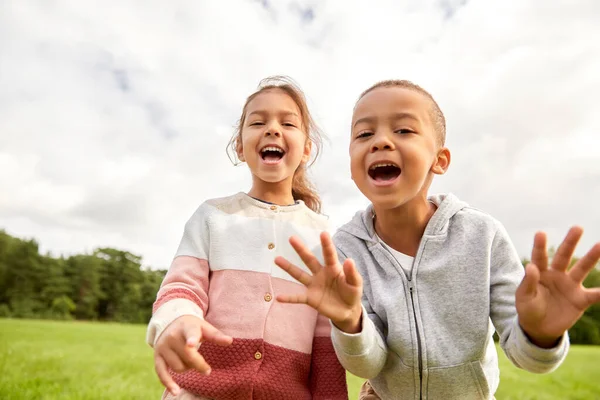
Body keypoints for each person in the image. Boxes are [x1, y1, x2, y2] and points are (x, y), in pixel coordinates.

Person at [274, 80, 600, 399]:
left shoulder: (482, 236)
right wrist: (350, 322)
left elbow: (527, 358)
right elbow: (369, 364)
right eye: (364, 133)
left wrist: (541, 334)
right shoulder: (346, 248)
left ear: (439, 160)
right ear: (352, 165)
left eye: (403, 130)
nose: (380, 141)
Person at [146, 76, 348, 400]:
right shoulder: (213, 216)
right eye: (258, 121)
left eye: (287, 123)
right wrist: (178, 318)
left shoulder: (322, 236)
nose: (272, 129)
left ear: (307, 149)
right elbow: (182, 287)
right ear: (240, 146)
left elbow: (326, 339)